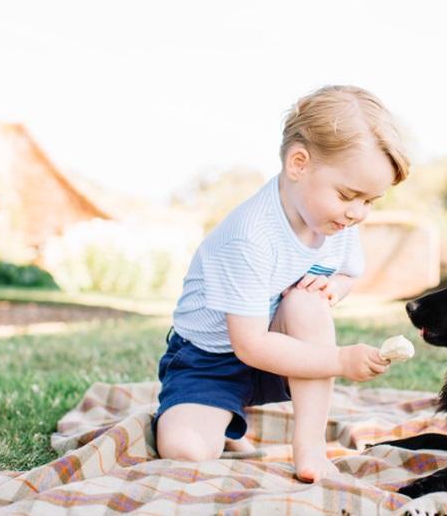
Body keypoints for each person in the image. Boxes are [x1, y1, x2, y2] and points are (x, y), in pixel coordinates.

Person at [154, 85, 411, 483]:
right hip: (211, 359)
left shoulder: (335, 221)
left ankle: (309, 448)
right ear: (298, 163)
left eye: (370, 201)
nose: (358, 213)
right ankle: (216, 416)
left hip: (282, 348)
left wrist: (332, 290)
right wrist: (341, 360)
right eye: (349, 195)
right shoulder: (250, 236)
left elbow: (346, 273)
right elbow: (249, 345)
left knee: (307, 304)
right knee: (186, 451)